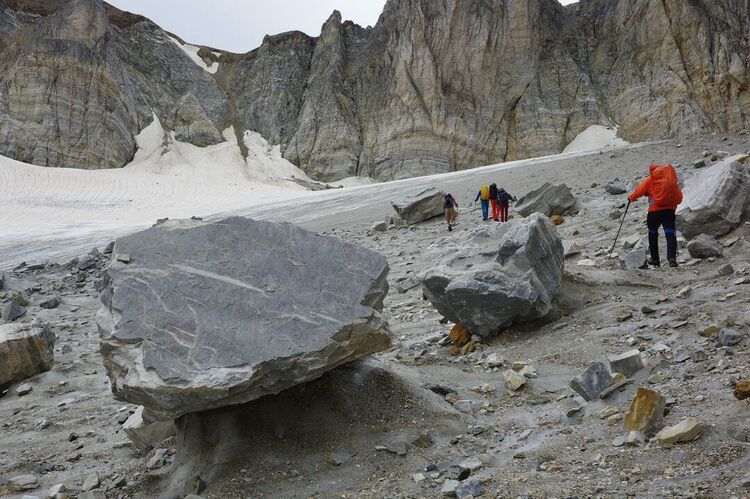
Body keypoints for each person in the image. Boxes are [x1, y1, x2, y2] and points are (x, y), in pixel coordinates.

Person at [628, 164, 683, 268]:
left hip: (654, 212)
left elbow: (639, 191)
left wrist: (631, 198)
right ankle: (671, 258)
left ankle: (655, 259)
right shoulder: (669, 180)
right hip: (669, 211)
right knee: (670, 234)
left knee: (652, 234)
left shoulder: (650, 180)